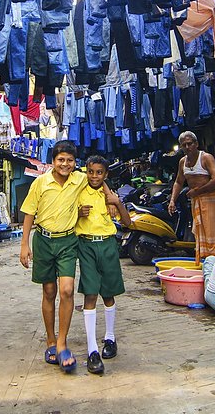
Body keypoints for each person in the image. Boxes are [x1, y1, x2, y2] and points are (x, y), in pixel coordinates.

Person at [19, 140, 87, 373]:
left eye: (69, 160)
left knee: (67, 290)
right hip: (44, 241)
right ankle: (50, 340)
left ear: (75, 163)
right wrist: (24, 245)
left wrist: (112, 201)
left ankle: (62, 344)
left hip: (68, 241)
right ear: (53, 161)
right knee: (49, 292)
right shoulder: (40, 182)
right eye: (61, 160)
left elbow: (100, 180)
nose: (65, 164)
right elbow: (29, 212)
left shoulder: (80, 179)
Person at [75, 155, 131, 375]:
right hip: (86, 245)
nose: (94, 176)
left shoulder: (111, 197)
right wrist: (77, 213)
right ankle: (92, 350)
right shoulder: (78, 189)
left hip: (107, 245)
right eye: (91, 171)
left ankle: (110, 337)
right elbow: (69, 215)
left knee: (108, 295)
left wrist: (116, 202)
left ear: (106, 174)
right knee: (90, 295)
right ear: (85, 171)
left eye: (99, 173)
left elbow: (127, 223)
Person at [168, 131, 215, 262]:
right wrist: (172, 201)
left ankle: (213, 260)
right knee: (199, 232)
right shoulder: (182, 162)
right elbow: (178, 182)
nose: (187, 147)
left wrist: (198, 191)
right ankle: (203, 260)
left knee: (211, 232)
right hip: (196, 200)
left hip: (210, 198)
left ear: (196, 144)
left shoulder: (206, 158)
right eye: (184, 145)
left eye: (190, 144)